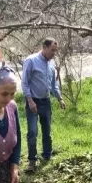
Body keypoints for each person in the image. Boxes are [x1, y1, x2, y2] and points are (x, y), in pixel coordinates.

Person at [21, 37, 67, 173]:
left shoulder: (51, 65)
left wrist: (60, 99)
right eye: (52, 50)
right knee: (32, 131)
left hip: (46, 102)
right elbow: (24, 83)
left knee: (47, 131)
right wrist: (30, 101)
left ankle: (47, 156)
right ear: (45, 47)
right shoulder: (31, 61)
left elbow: (54, 85)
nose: (54, 54)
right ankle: (32, 161)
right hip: (33, 102)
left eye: (55, 51)